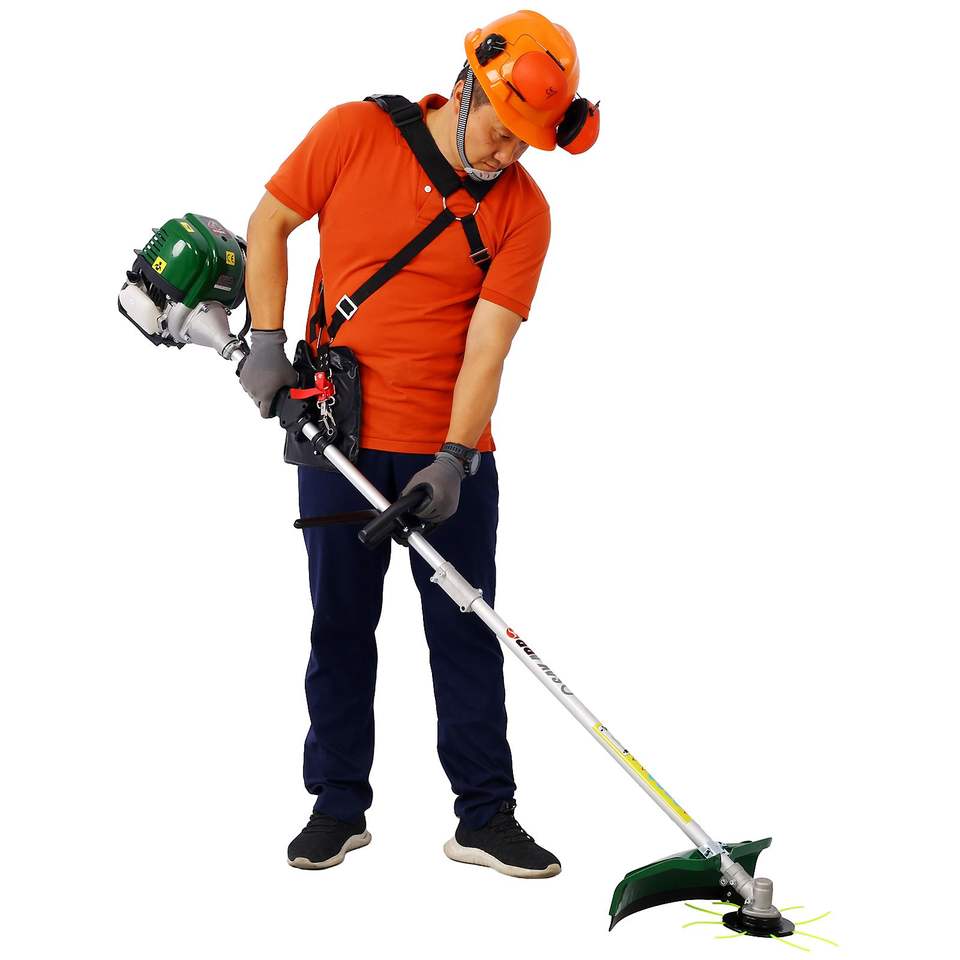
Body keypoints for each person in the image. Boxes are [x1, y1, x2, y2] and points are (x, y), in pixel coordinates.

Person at [239, 10, 599, 878]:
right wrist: (266, 340)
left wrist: (457, 456)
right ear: (466, 85)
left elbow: (488, 346)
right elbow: (271, 222)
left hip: (448, 456)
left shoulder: (524, 211)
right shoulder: (354, 133)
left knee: (465, 630)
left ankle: (485, 817)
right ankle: (337, 807)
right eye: (501, 130)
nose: (506, 155)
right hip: (339, 437)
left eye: (525, 144)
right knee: (340, 625)